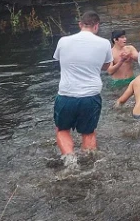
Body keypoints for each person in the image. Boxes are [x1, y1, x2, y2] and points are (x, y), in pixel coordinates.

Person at [52, 11, 113, 169]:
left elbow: (59, 60)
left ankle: (70, 161)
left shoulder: (63, 41)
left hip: (66, 95)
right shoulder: (105, 43)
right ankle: (90, 164)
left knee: (62, 129)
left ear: (80, 24)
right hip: (90, 96)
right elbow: (106, 66)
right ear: (96, 26)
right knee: (89, 132)